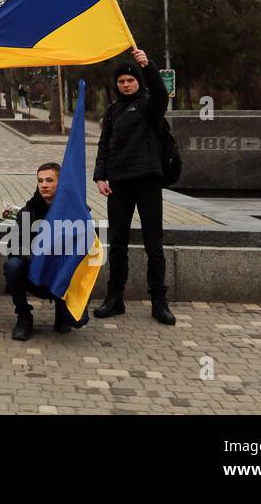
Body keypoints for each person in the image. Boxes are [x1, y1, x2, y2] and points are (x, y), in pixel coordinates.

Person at [94, 49, 176, 325]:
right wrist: (100, 176)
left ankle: (159, 301)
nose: (126, 84)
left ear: (138, 82)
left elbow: (161, 94)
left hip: (147, 181)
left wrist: (148, 65)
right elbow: (104, 145)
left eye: (130, 80)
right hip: (118, 183)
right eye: (121, 81)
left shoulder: (149, 105)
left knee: (154, 242)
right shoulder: (113, 110)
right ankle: (115, 298)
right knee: (117, 243)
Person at [3, 162, 79, 340]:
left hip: (60, 275)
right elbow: (14, 247)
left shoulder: (73, 213)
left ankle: (63, 312)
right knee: (13, 265)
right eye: (40, 181)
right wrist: (38, 259)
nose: (44, 185)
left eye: (49, 180)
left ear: (60, 183)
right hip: (35, 273)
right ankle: (23, 316)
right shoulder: (28, 211)